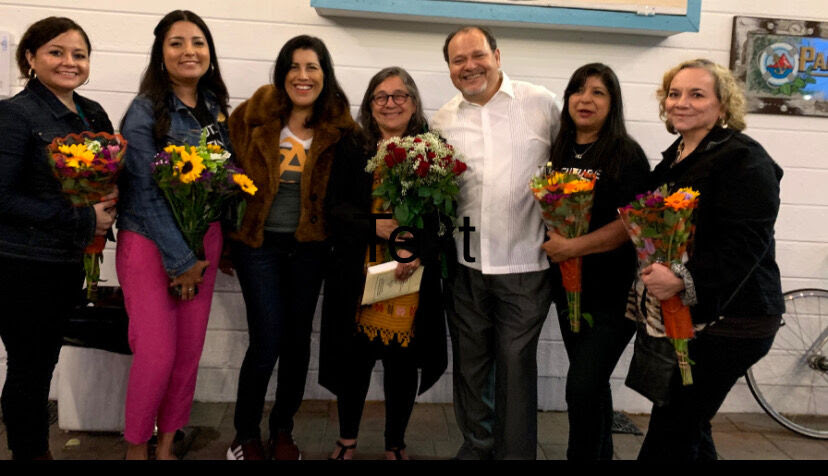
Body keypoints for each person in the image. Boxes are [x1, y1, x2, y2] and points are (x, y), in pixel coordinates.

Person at [628, 58, 784, 461]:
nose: (682, 102)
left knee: (672, 431)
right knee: (688, 423)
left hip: (734, 318)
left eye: (697, 94)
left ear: (722, 105)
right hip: (696, 316)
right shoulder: (677, 155)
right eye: (674, 93)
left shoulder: (744, 159)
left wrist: (681, 278)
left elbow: (747, 243)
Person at [225, 35, 361, 461]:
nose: (303, 76)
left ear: (326, 74)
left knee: (297, 341)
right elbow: (223, 173)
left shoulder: (341, 128)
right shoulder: (252, 115)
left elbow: (350, 193)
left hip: (311, 249)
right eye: (294, 66)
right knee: (266, 339)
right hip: (257, 244)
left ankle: (283, 429)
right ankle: (245, 434)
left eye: (313, 67)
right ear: (283, 72)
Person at [430, 25, 561, 460]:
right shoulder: (443, 119)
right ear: (449, 68)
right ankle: (478, 447)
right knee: (470, 368)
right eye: (458, 60)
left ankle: (516, 455)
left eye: (477, 55)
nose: (470, 66)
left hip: (525, 265)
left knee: (515, 372)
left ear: (498, 55)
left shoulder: (541, 104)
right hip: (466, 266)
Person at [320, 66, 451, 460]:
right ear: (370, 104)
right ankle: (347, 440)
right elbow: (335, 208)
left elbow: (445, 218)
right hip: (357, 277)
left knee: (401, 366)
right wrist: (378, 226)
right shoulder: (353, 147)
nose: (390, 103)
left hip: (410, 278)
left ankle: (395, 443)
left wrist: (417, 251)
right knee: (354, 363)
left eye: (400, 96)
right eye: (381, 96)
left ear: (413, 104)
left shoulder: (432, 148)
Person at [0, 16, 116, 461]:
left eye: (79, 54)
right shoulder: (15, 115)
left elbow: (108, 176)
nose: (69, 62)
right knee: (29, 368)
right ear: (30, 58)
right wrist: (83, 218)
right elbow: (3, 198)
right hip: (22, 264)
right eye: (56, 51)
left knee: (43, 362)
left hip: (68, 263)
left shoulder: (92, 114)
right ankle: (30, 453)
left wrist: (111, 201)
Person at [117, 10, 231, 460]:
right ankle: (135, 448)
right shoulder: (145, 110)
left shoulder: (216, 112)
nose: (189, 51)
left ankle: (166, 445)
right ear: (160, 53)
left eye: (198, 42)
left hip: (205, 243)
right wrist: (181, 260)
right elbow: (143, 189)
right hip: (149, 242)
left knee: (186, 356)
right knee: (156, 355)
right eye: (177, 42)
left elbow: (225, 182)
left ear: (210, 53)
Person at [540, 63, 649, 460]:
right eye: (578, 91)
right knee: (593, 385)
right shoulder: (560, 149)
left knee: (581, 386)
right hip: (569, 289)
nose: (585, 100)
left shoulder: (626, 154)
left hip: (613, 294)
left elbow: (631, 223)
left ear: (612, 102)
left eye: (598, 92)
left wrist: (575, 247)